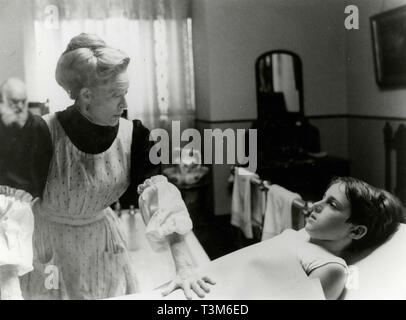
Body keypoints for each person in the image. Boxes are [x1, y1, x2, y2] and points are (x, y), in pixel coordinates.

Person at [21, 33, 214, 300]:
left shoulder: (135, 136)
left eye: (125, 94)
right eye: (115, 96)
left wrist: (184, 266)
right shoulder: (42, 132)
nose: (124, 104)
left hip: (102, 247)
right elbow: (12, 206)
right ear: (86, 96)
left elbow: (159, 196)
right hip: (49, 250)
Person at [284, 176, 404, 299]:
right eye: (323, 198)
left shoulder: (329, 267)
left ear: (356, 231)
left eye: (332, 204)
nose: (315, 205)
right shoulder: (295, 236)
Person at [0, 78, 52, 198]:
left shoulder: (39, 126)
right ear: (2, 101)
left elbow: (47, 170)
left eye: (23, 101)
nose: (20, 106)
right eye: (14, 101)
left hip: (32, 196)